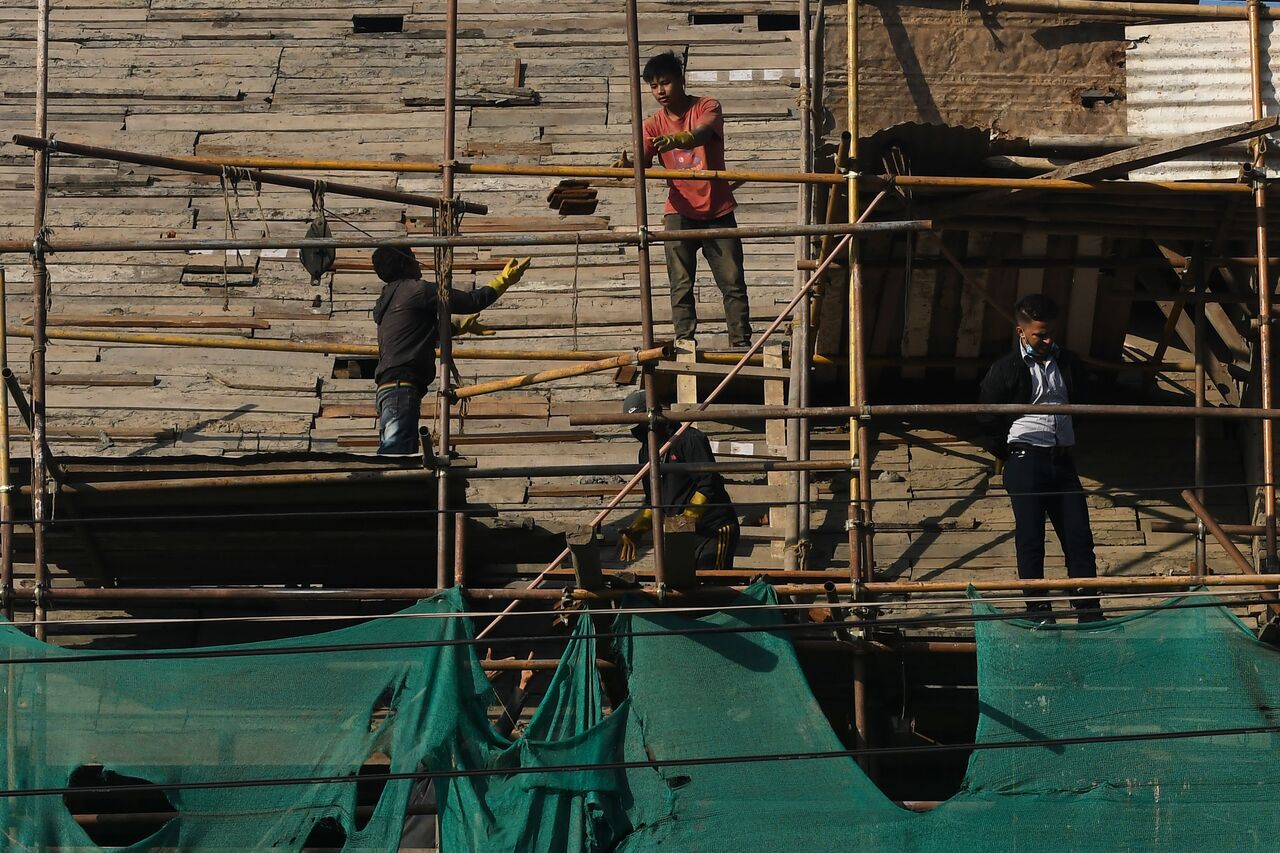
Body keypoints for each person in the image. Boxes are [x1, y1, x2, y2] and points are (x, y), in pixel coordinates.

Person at [978, 293, 1103, 623]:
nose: (1047, 341)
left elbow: (1083, 403)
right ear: (1021, 332)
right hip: (1026, 458)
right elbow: (987, 418)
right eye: (1039, 335)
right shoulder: (1006, 368)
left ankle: (1089, 610)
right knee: (1031, 537)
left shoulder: (1069, 363)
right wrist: (1010, 453)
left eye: (1051, 334)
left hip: (1061, 459)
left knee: (1078, 536)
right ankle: (1038, 611)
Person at [618, 50, 752, 348]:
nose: (660, 91)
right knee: (680, 283)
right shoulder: (652, 125)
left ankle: (740, 342)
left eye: (665, 83)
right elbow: (642, 162)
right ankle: (685, 341)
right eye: (653, 86)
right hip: (679, 210)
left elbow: (703, 133)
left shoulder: (706, 105)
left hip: (718, 209)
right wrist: (627, 166)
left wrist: (681, 139)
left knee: (732, 281)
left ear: (681, 80)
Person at [372, 247, 530, 454]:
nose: (418, 263)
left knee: (400, 452)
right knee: (396, 457)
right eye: (413, 259)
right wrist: (504, 280)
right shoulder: (417, 290)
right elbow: (472, 302)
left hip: (390, 389)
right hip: (401, 388)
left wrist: (457, 327)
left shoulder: (389, 299)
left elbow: (419, 334)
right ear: (404, 264)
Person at [616, 390, 740, 571]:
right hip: (682, 533)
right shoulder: (645, 452)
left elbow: (708, 484)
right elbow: (653, 501)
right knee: (681, 583)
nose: (635, 431)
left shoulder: (688, 439)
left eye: (639, 424)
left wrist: (687, 518)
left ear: (654, 417)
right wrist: (636, 529)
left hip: (713, 529)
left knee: (711, 582)